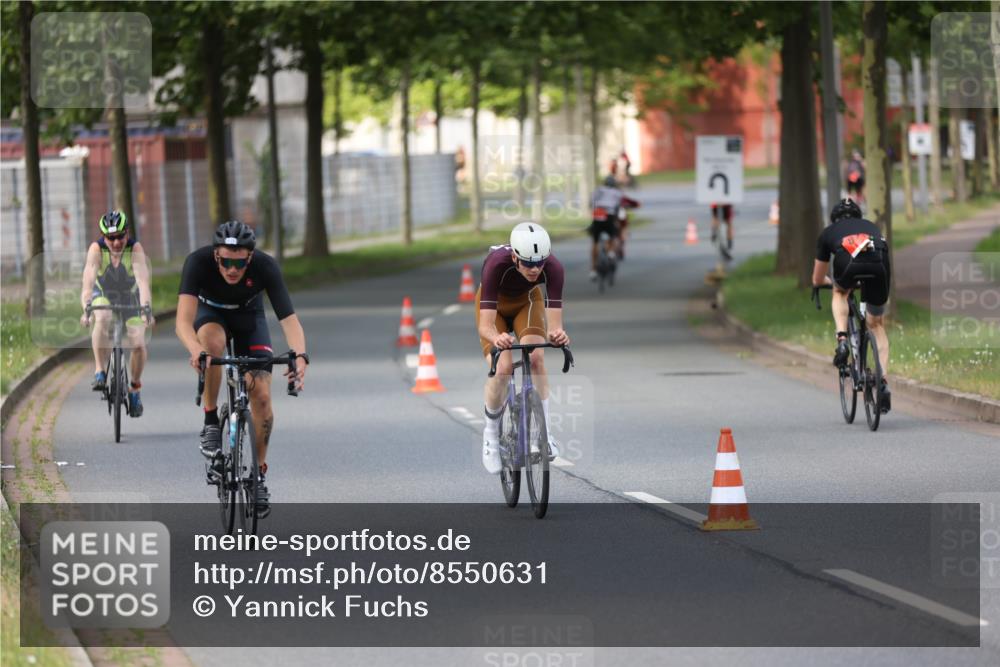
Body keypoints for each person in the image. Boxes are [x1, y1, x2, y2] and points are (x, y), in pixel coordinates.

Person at [175, 221, 309, 517]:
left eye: (239, 263)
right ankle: (211, 419)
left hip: (249, 317)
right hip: (210, 314)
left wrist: (300, 357)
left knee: (261, 396)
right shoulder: (197, 263)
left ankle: (258, 475)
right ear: (215, 257)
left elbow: (290, 321)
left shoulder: (265, 267)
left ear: (250, 258)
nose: (232, 269)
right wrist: (194, 348)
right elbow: (183, 321)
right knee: (212, 344)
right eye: (226, 262)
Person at [476, 222, 569, 474]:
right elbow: (486, 326)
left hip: (527, 303)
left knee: (536, 356)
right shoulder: (496, 264)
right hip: (495, 308)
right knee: (503, 368)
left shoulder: (554, 268)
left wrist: (558, 335)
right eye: (528, 263)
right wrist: (497, 339)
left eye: (540, 262)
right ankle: (491, 437)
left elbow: (555, 327)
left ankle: (546, 435)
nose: (535, 269)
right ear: (515, 257)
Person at [812, 198, 892, 413]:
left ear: (834, 219)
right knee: (876, 325)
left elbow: (817, 279)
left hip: (846, 262)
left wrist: (832, 284)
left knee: (840, 291)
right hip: (879, 262)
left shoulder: (829, 232)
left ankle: (842, 339)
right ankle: (882, 379)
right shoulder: (872, 227)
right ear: (859, 216)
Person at [79, 210, 153, 417]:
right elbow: (88, 282)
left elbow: (143, 282)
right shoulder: (96, 249)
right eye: (111, 238)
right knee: (102, 318)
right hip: (104, 294)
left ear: (127, 233)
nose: (116, 242)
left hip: (130, 296)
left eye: (120, 236)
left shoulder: (135, 248)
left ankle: (135, 389)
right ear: (104, 237)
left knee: (138, 342)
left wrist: (147, 309)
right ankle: (100, 370)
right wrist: (86, 308)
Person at [589, 166, 639, 277]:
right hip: (609, 215)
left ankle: (593, 270)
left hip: (597, 214)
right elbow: (618, 206)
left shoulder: (597, 190)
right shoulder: (617, 192)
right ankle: (611, 253)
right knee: (614, 235)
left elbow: (591, 203)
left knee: (595, 242)